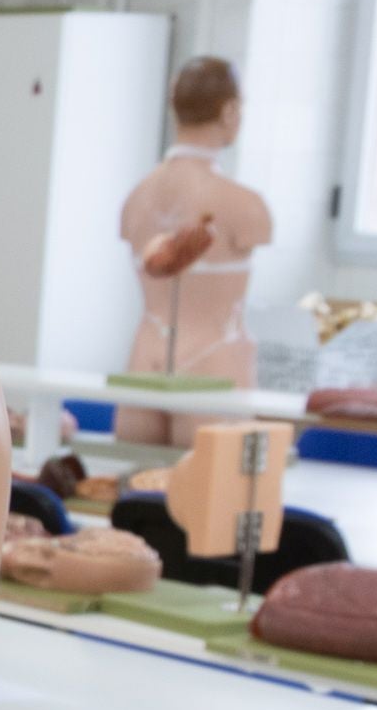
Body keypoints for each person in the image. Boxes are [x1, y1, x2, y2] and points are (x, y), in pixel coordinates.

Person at [116, 54, 275, 446]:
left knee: (136, 501)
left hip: (144, 361)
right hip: (214, 361)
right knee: (218, 502)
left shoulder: (136, 199)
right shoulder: (246, 206)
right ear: (230, 111)